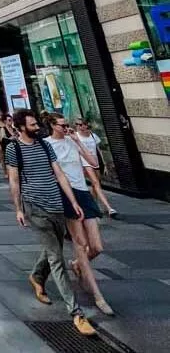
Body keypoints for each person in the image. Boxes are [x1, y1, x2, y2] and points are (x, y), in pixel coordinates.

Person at [6, 109, 97, 337]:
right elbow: (14, 180)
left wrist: (73, 201)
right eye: (33, 125)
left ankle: (37, 276)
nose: (37, 128)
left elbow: (59, 175)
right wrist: (18, 208)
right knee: (57, 258)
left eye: (37, 124)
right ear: (20, 127)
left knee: (53, 248)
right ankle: (76, 312)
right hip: (35, 207)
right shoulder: (14, 148)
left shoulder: (45, 146)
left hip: (57, 203)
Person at [44, 114, 113, 316]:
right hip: (67, 195)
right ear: (52, 126)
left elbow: (93, 163)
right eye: (63, 125)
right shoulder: (47, 145)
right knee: (80, 245)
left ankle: (76, 265)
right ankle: (98, 296)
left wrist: (78, 143)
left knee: (97, 247)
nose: (67, 128)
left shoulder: (72, 141)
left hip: (84, 193)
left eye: (67, 125)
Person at [75, 119, 117, 217]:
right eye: (77, 125)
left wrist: (105, 163)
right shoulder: (75, 136)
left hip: (95, 163)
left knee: (96, 186)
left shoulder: (93, 136)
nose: (79, 127)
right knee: (95, 183)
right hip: (85, 163)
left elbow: (99, 150)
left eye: (81, 124)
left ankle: (93, 206)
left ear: (86, 125)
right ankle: (108, 208)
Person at [0, 112, 14, 178]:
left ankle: (9, 171)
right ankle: (5, 172)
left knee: (7, 156)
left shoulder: (4, 123)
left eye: (0, 115)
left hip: (5, 140)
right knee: (2, 157)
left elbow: (9, 131)